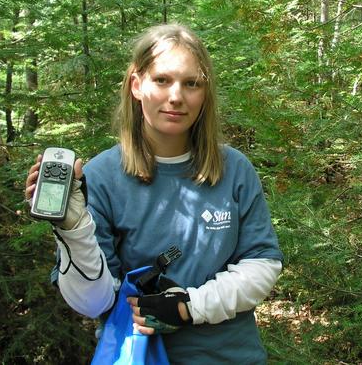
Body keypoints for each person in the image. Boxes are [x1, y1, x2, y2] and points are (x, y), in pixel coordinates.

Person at [24, 24, 283, 364]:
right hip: (136, 355)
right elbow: (92, 302)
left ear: (204, 93)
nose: (176, 96)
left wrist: (188, 307)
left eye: (191, 83)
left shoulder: (233, 169)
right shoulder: (101, 176)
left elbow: (262, 264)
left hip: (230, 356)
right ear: (137, 84)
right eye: (162, 80)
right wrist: (73, 231)